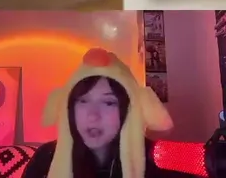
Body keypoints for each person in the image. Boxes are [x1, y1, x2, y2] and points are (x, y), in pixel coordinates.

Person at [22, 48, 177, 178]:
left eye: (108, 103)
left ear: (129, 110)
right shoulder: (46, 158)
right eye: (83, 101)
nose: (93, 116)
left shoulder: (162, 157)